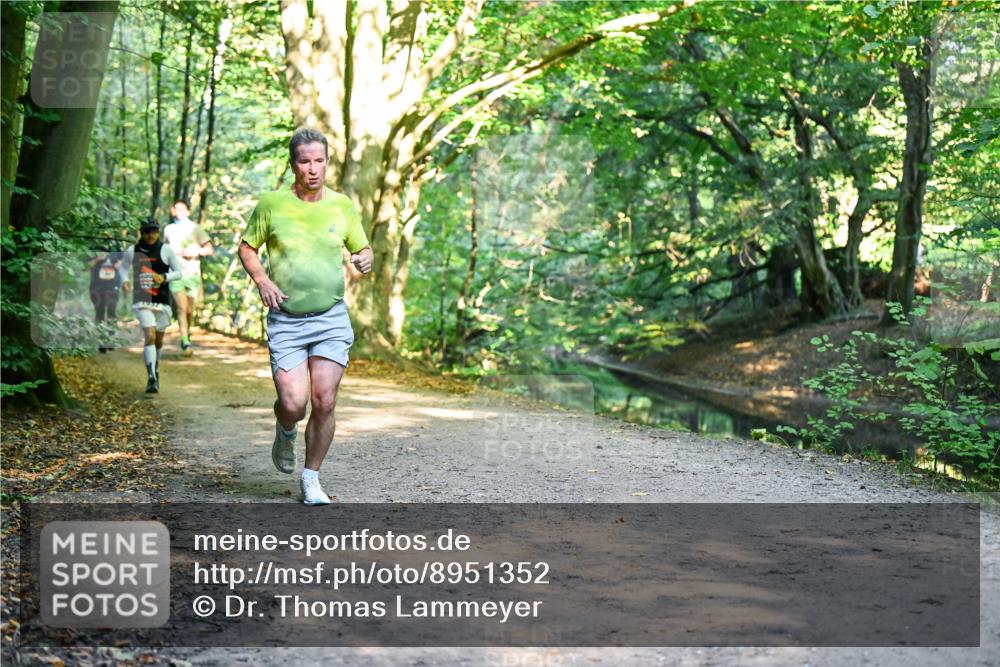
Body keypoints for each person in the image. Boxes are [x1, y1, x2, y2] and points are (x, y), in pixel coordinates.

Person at [238, 128, 372, 505]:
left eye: (319, 160)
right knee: (295, 404)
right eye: (304, 161)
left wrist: (365, 259)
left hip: (330, 317)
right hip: (287, 320)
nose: (313, 169)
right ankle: (285, 428)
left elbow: (363, 249)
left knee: (325, 399)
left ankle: (311, 477)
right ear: (293, 164)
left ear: (327, 162)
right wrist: (262, 279)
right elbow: (247, 248)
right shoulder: (271, 204)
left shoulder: (342, 206)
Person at [120, 218, 182, 393]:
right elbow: (123, 268)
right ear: (141, 232)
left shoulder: (166, 250)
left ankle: (156, 367)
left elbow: (178, 273)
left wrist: (164, 277)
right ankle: (151, 377)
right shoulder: (133, 251)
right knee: (150, 335)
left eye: (154, 231)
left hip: (161, 301)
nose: (151, 235)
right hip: (142, 300)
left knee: (159, 339)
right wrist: (125, 281)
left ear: (158, 232)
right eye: (147, 231)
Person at [163, 199, 213, 355]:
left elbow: (209, 249)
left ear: (188, 211)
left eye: (182, 209)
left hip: (193, 273)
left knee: (189, 310)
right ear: (173, 211)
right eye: (176, 209)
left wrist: (195, 252)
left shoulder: (196, 229)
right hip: (175, 273)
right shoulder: (168, 229)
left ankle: (187, 334)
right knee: (181, 308)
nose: (179, 212)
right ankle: (185, 342)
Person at [88, 249, 123, 352]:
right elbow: (85, 266)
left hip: (113, 286)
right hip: (96, 287)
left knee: (112, 311)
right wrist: (97, 259)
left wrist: (121, 264)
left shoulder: (118, 249)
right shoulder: (93, 248)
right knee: (100, 313)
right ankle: (102, 342)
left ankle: (111, 339)